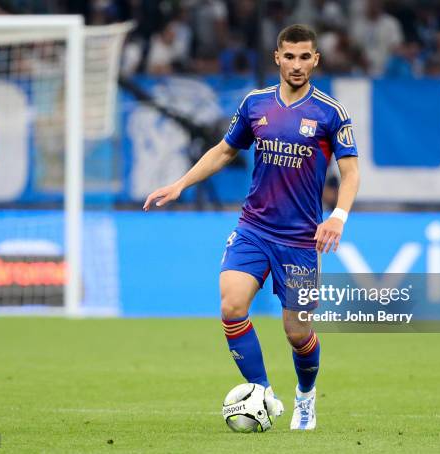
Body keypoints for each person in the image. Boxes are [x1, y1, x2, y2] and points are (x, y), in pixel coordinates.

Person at [143, 24, 360, 430]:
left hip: (299, 239)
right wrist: (179, 184)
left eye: (305, 57)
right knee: (232, 305)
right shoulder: (255, 104)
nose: (297, 65)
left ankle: (306, 396)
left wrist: (338, 216)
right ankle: (262, 392)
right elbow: (225, 150)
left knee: (297, 332)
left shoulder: (331, 113)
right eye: (289, 56)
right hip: (254, 228)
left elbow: (350, 173)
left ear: (316, 60)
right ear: (277, 58)